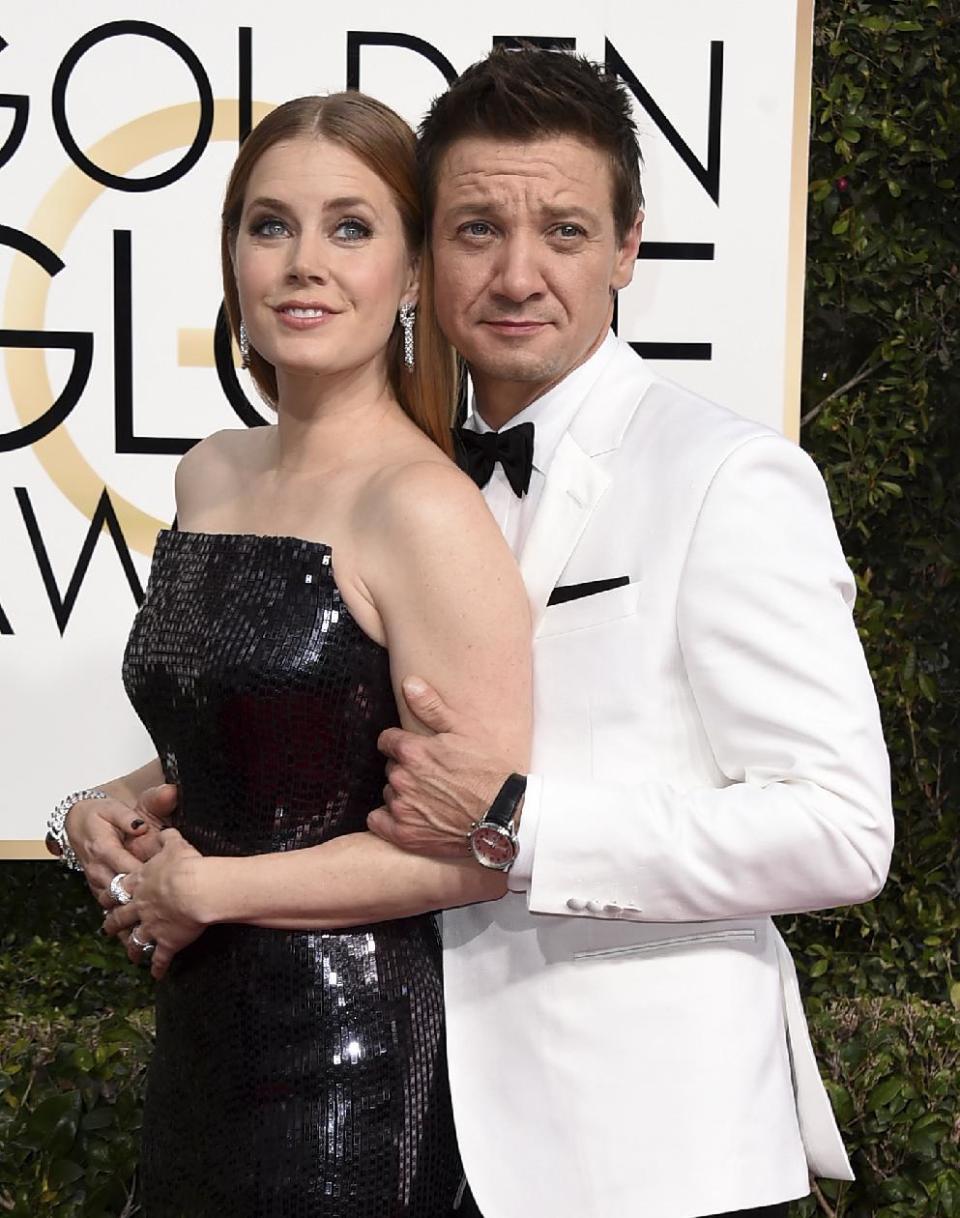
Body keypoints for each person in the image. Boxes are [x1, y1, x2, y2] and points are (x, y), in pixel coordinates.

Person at [360, 46, 895, 1218]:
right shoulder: (402, 480)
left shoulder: (729, 475)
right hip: (410, 1131)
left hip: (655, 1154)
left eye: (561, 228)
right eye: (474, 230)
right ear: (425, 253)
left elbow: (842, 832)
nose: (516, 273)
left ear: (628, 245)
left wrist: (521, 819)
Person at [50, 91, 532, 1217]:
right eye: (270, 226)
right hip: (199, 1040)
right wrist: (100, 804)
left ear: (412, 275)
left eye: (350, 228)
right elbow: (253, 732)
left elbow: (487, 849)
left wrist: (215, 888)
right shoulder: (208, 471)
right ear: (232, 256)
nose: (304, 263)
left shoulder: (424, 508)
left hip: (349, 1066)